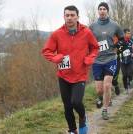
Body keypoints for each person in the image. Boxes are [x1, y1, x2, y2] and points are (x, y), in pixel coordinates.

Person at [41, 5, 99, 134]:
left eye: (72, 15)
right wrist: (55, 57)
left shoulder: (86, 32)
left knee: (76, 102)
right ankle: (73, 130)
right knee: (67, 106)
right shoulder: (57, 34)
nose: (69, 18)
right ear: (64, 17)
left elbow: (95, 48)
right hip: (64, 75)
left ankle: (83, 117)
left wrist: (90, 58)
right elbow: (46, 51)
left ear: (78, 17)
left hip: (80, 75)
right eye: (67, 15)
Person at [89, 2, 124, 120]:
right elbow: (87, 41)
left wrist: (117, 50)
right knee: (99, 89)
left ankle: (105, 110)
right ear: (98, 11)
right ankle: (100, 97)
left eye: (104, 9)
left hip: (110, 59)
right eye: (100, 9)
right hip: (97, 61)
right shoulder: (92, 26)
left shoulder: (115, 25)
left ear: (107, 11)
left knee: (107, 85)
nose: (102, 11)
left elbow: (122, 40)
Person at [117, 28, 133, 94]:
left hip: (130, 60)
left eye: (130, 33)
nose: (129, 34)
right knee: (124, 75)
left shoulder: (131, 41)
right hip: (122, 61)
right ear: (124, 34)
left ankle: (131, 80)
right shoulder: (120, 42)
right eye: (128, 33)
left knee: (129, 73)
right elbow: (117, 50)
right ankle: (126, 88)